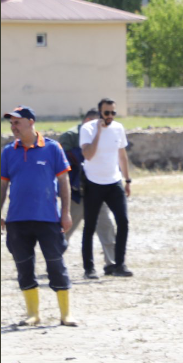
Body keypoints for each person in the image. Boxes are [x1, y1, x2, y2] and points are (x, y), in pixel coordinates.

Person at [1, 106, 75, 327]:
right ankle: (33, 314)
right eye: (11, 123)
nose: (13, 127)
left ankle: (65, 314)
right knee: (24, 265)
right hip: (17, 220)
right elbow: (2, 186)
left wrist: (66, 213)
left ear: (31, 122)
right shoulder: (7, 152)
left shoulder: (52, 148)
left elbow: (64, 182)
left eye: (17, 122)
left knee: (56, 264)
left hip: (47, 218)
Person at [78, 98, 133, 279]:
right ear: (100, 112)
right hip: (93, 183)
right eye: (106, 113)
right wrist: (99, 133)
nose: (110, 116)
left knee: (123, 221)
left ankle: (119, 264)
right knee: (90, 226)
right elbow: (88, 155)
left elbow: (122, 156)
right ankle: (89, 268)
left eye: (113, 113)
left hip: (114, 182)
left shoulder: (118, 128)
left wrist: (127, 180)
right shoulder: (88, 129)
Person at [57, 109, 116, 273]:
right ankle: (54, 261)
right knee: (65, 230)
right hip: (77, 193)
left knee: (107, 227)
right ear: (89, 120)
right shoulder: (71, 136)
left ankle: (112, 264)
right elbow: (64, 161)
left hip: (98, 191)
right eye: (98, 122)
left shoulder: (103, 135)